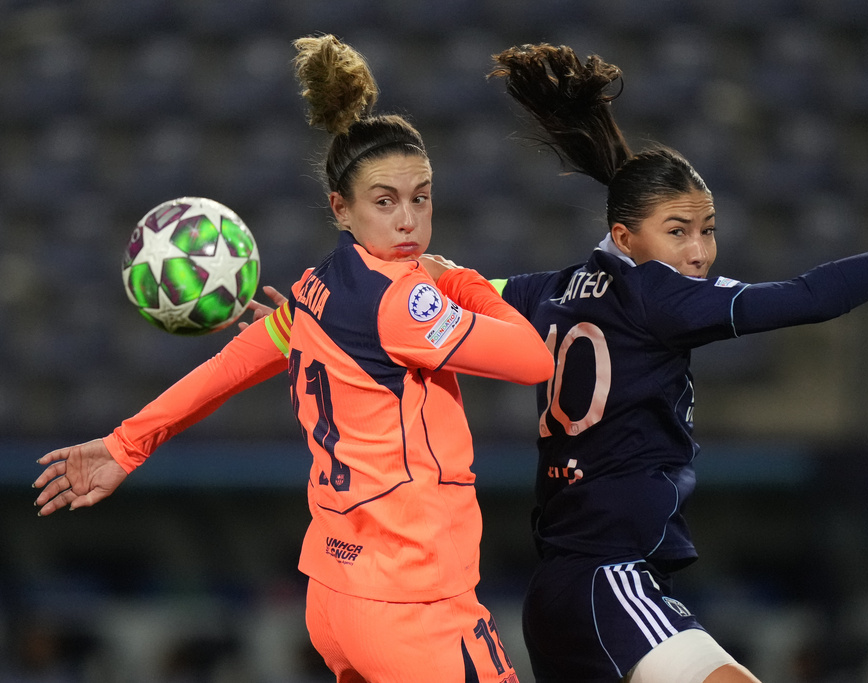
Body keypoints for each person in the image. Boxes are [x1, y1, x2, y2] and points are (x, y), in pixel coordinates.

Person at [33, 35, 552, 683]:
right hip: (413, 603)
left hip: (335, 596)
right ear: (341, 208)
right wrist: (458, 279)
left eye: (421, 197)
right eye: (384, 201)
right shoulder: (403, 300)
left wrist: (126, 443)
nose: (409, 220)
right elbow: (533, 359)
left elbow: (228, 368)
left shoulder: (315, 289)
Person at [486, 44, 868, 683]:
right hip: (611, 577)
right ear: (625, 238)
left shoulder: (554, 287)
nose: (699, 251)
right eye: (678, 231)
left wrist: (413, 276)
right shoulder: (662, 296)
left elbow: (479, 289)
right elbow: (808, 297)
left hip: (558, 587)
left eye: (707, 229)